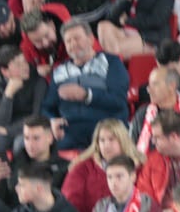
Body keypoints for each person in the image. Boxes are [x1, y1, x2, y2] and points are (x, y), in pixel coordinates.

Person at [42, 19, 128, 152]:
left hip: (105, 127)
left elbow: (118, 101)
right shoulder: (59, 71)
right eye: (68, 41)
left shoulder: (111, 62)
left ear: (90, 39)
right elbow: (47, 107)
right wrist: (52, 120)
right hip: (70, 132)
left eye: (77, 38)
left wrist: (87, 95)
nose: (73, 44)